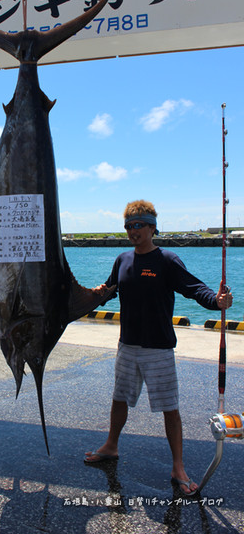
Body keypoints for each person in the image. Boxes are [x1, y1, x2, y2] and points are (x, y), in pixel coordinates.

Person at [84, 200, 233, 496]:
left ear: (153, 227)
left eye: (138, 225)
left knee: (170, 408)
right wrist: (94, 295)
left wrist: (216, 302)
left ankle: (178, 466)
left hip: (159, 348)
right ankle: (111, 446)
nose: (132, 231)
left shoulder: (167, 259)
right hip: (127, 344)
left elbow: (194, 288)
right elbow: (110, 290)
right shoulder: (122, 259)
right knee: (119, 398)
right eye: (128, 226)